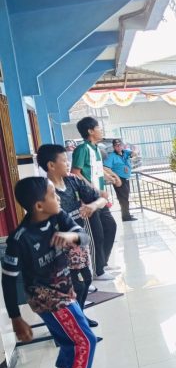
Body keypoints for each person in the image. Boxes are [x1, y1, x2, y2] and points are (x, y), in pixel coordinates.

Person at [1, 177, 101, 368]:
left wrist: (70, 238)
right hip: (46, 298)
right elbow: (7, 280)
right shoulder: (19, 239)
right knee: (85, 341)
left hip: (65, 291)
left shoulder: (58, 218)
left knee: (69, 340)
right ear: (38, 206)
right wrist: (15, 318)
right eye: (52, 195)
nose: (58, 198)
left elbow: (83, 237)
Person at [37, 144, 108, 328]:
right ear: (51, 165)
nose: (68, 164)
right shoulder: (45, 190)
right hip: (60, 246)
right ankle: (74, 323)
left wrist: (92, 206)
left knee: (87, 280)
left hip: (79, 240)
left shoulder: (73, 181)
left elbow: (101, 199)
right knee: (74, 286)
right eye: (64, 160)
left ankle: (80, 316)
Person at [71, 117, 117, 281]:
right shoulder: (82, 149)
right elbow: (76, 173)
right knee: (96, 234)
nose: (101, 130)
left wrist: (110, 177)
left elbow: (96, 171)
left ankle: (102, 262)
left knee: (110, 227)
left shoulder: (96, 148)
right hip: (89, 199)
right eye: (98, 127)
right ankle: (98, 271)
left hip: (100, 198)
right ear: (90, 131)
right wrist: (94, 189)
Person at [103, 139, 136, 222]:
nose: (118, 147)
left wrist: (132, 152)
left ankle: (126, 214)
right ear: (114, 147)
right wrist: (115, 177)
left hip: (126, 178)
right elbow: (106, 168)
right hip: (119, 179)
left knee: (126, 197)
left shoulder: (126, 152)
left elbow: (134, 154)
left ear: (122, 145)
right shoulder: (112, 156)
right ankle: (126, 217)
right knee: (123, 198)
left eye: (120, 145)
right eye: (116, 145)